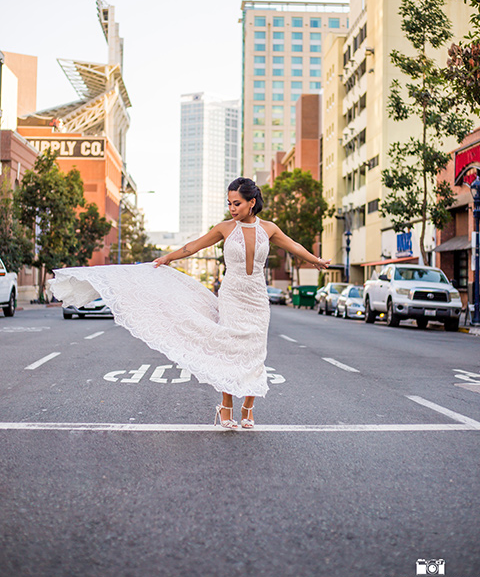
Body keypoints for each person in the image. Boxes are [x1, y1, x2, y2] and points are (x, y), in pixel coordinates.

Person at [49, 177, 330, 430]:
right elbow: (194, 246)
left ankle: (249, 408)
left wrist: (316, 260)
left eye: (237, 203)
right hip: (232, 294)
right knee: (230, 347)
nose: (232, 208)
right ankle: (226, 407)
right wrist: (168, 257)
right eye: (229, 203)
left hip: (257, 296)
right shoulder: (224, 228)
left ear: (251, 202)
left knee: (255, 350)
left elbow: (294, 246)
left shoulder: (268, 229)